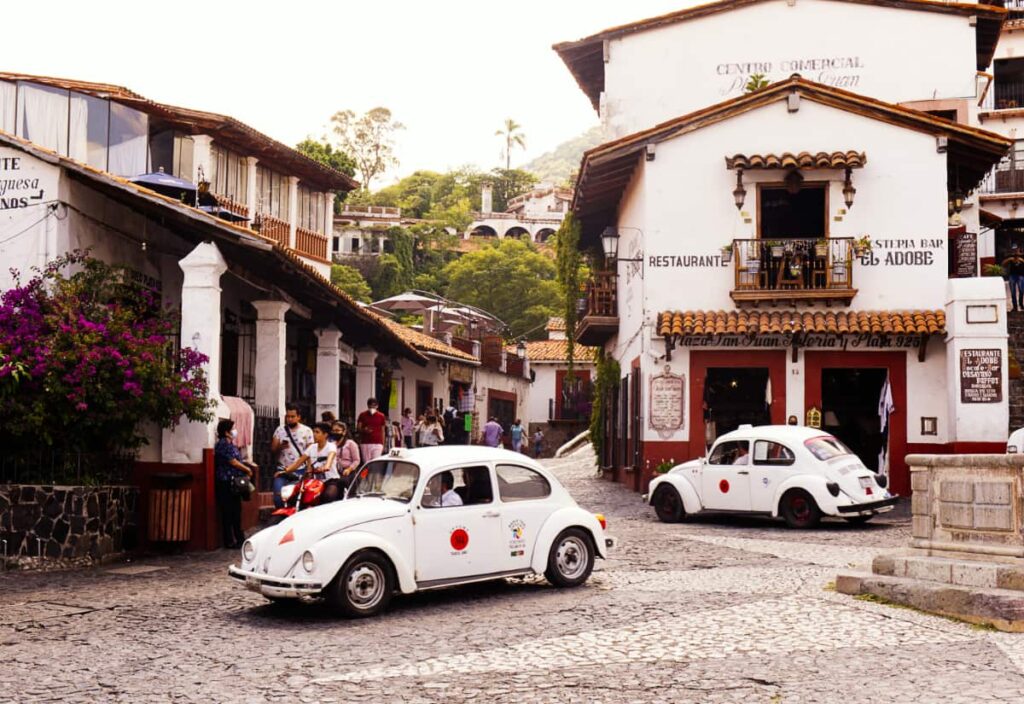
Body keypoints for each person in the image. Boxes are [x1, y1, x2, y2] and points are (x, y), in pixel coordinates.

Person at [214, 419, 254, 549]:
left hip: (233, 482)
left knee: (236, 511)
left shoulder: (231, 444)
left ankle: (238, 538)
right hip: (226, 482)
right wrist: (247, 469)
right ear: (226, 432)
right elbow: (233, 462)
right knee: (229, 511)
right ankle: (230, 540)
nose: (234, 431)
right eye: (232, 429)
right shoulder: (223, 445)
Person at [271, 404, 314, 509]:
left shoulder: (307, 431)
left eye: (292, 416)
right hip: (283, 470)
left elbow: (310, 452)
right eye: (288, 416)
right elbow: (273, 449)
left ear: (298, 417)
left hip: (299, 470)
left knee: (298, 497)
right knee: (278, 496)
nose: (289, 419)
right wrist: (280, 446)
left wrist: (309, 468)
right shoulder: (280, 430)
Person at [332, 421, 361, 497]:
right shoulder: (332, 444)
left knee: (343, 483)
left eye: (337, 430)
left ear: (344, 432)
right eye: (333, 430)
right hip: (335, 472)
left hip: (348, 472)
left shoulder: (351, 443)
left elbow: (357, 460)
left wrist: (349, 469)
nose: (335, 433)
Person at [356, 397, 388, 463]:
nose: (372, 408)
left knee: (376, 462)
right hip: (365, 443)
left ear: (377, 406)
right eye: (370, 406)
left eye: (374, 406)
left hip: (378, 443)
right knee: (366, 463)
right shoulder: (362, 415)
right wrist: (364, 430)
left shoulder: (381, 416)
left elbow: (383, 431)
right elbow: (358, 428)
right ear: (368, 406)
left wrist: (383, 444)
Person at [1004, 246, 1024, 312]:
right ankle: (1015, 307)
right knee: (1013, 292)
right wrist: (1009, 259)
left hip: (1021, 275)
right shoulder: (1011, 258)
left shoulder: (1022, 258)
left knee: (1021, 291)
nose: (1016, 253)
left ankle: (1021, 305)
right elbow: (1003, 263)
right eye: (1015, 251)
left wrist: (1021, 260)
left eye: (1017, 251)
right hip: (1012, 276)